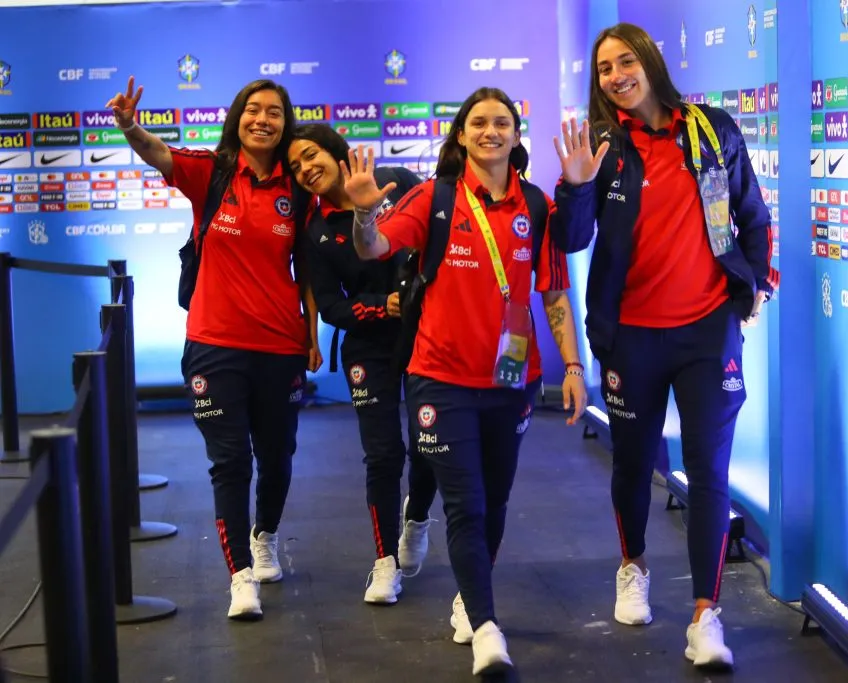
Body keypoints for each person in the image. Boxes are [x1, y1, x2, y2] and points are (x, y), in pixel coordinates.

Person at [548, 23, 780, 669]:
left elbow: (752, 215)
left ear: (649, 60)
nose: (616, 75)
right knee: (632, 464)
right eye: (603, 69)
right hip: (632, 338)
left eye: (625, 61)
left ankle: (707, 615)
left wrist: (755, 282)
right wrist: (573, 186)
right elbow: (570, 239)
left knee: (709, 471)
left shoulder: (711, 131)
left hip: (708, 333)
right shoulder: (603, 146)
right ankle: (633, 565)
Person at [345, 87, 587, 676]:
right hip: (439, 379)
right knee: (466, 504)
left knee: (496, 501)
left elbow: (554, 291)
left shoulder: (535, 204)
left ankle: (469, 594)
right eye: (478, 123)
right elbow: (375, 246)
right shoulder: (433, 198)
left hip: (511, 379)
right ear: (460, 134)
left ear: (515, 133)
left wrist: (573, 366)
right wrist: (361, 210)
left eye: (502, 122)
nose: (490, 132)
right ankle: (485, 628)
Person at [106, 77, 322, 620]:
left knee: (277, 459)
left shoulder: (298, 190)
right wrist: (130, 124)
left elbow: (309, 276)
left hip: (280, 346)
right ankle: (240, 577)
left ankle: (265, 537)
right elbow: (158, 153)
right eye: (253, 110)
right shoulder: (213, 172)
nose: (263, 120)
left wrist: (314, 336)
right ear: (238, 117)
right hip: (213, 344)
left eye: (274, 112)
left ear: (285, 123)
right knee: (229, 462)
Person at [287, 123, 438, 604]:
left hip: (426, 338)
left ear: (335, 152)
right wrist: (381, 305)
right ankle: (384, 563)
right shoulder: (316, 232)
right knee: (383, 454)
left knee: (430, 446)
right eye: (295, 166)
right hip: (368, 346)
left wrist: (417, 298)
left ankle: (416, 520)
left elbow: (438, 236)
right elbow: (331, 306)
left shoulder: (392, 178)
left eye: (312, 155)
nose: (307, 169)